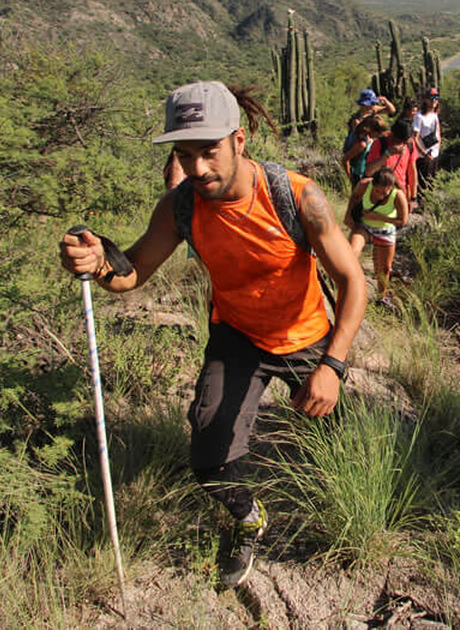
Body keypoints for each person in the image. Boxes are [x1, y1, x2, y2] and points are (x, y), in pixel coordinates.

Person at [59, 81, 366, 590]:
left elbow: (352, 280)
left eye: (209, 151)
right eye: (185, 154)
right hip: (237, 336)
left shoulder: (296, 195)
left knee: (335, 440)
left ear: (239, 141)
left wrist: (331, 367)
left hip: (307, 336)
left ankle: (350, 512)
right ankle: (248, 520)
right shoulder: (181, 207)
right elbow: (133, 272)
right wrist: (97, 264)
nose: (198, 168)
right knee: (209, 457)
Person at [345, 167, 410, 306]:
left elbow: (403, 221)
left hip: (385, 230)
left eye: (384, 192)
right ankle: (345, 285)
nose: (380, 195)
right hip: (364, 226)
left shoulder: (398, 195)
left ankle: (382, 297)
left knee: (384, 268)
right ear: (372, 184)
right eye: (377, 191)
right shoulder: (365, 185)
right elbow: (355, 197)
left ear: (391, 187)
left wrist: (379, 217)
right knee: (351, 253)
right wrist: (348, 215)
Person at [364, 118, 420, 211]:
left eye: (403, 142)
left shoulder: (410, 144)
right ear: (392, 134)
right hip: (379, 195)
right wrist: (387, 154)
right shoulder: (380, 143)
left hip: (400, 194)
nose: (400, 144)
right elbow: (368, 172)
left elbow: (412, 171)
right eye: (398, 140)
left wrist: (413, 198)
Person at [341, 115, 389, 186]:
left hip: (366, 175)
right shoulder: (362, 144)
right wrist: (350, 178)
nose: (380, 136)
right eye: (379, 133)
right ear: (374, 131)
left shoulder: (370, 139)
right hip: (358, 176)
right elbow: (345, 159)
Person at [412, 87, 441, 198]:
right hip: (424, 155)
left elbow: (438, 131)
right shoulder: (419, 117)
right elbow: (415, 138)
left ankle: (429, 204)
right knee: (423, 182)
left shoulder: (434, 114)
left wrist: (438, 148)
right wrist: (424, 154)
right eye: (431, 97)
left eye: (436, 97)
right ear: (425, 99)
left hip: (434, 153)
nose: (434, 100)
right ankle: (421, 207)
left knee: (432, 181)